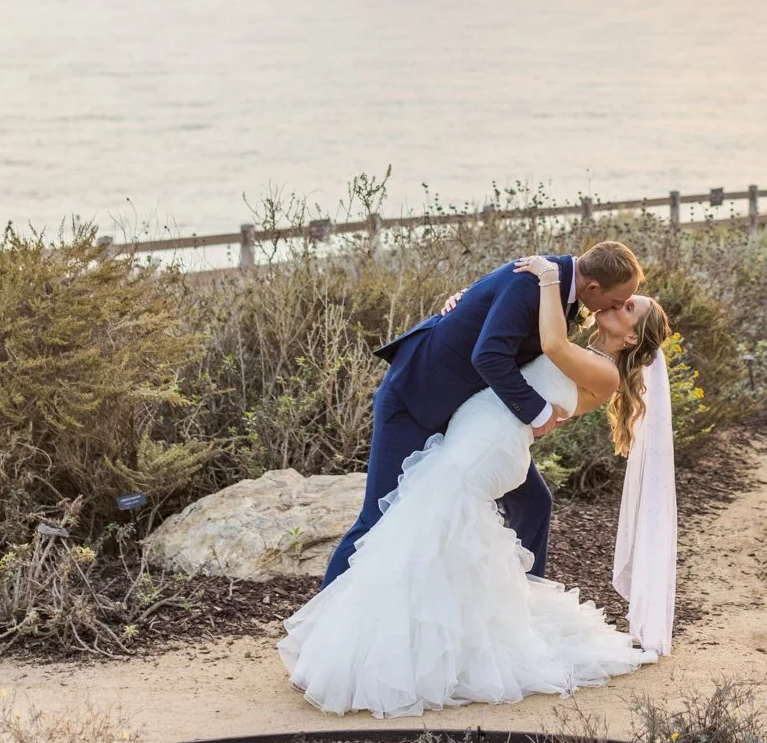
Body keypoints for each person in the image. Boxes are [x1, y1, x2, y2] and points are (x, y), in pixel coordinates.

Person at [279, 250, 676, 717]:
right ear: (593, 290)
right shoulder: (552, 298)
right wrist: (468, 303)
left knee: (428, 521)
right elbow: (500, 336)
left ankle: (398, 640)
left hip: (487, 437)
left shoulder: (579, 334)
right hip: (428, 404)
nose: (620, 303)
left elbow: (547, 346)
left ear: (630, 338)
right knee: (401, 519)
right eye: (624, 298)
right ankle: (336, 637)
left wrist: (547, 283)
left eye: (630, 306)